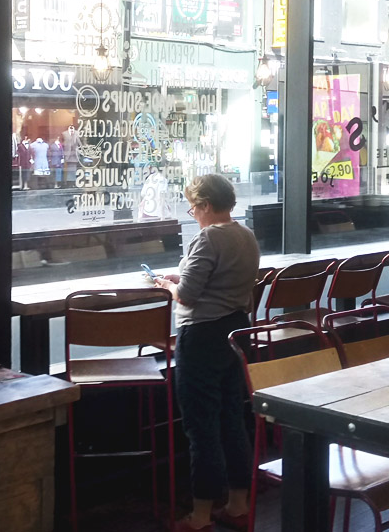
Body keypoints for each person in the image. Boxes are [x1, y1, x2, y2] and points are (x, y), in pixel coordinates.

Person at [153, 174, 259, 532]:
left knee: (201, 427)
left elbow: (188, 296)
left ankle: (199, 516)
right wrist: (183, 279)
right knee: (233, 419)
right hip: (236, 332)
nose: (192, 212)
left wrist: (170, 285)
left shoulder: (207, 238)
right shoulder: (246, 235)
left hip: (202, 337)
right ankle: (238, 504)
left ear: (207, 206)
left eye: (194, 206)